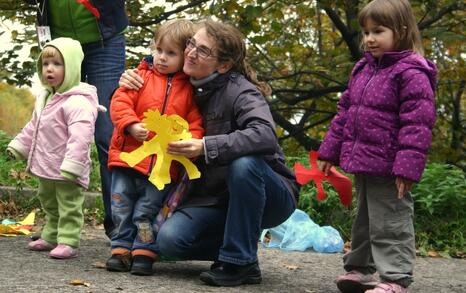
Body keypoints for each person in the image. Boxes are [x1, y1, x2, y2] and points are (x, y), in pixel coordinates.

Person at [119, 19, 300, 286]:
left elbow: (265, 135)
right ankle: (237, 245)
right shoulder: (181, 84)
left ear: (224, 65)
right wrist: (132, 78)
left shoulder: (241, 91)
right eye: (191, 44)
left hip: (270, 194)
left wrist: (205, 146)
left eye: (202, 50)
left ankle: (240, 261)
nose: (191, 52)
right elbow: (155, 71)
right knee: (169, 240)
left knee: (245, 163)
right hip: (216, 198)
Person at [317, 1, 437, 292]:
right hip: (365, 159)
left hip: (392, 164)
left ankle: (395, 278)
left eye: (378, 31)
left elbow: (417, 124)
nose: (369, 38)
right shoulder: (363, 69)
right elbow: (344, 112)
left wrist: (407, 168)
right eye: (366, 32)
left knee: (391, 221)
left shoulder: (411, 73)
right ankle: (361, 269)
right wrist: (330, 150)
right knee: (366, 219)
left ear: (402, 31)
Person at [105, 19, 204, 276]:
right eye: (158, 50)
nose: (161, 58)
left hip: (162, 166)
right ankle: (120, 247)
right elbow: (120, 102)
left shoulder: (190, 90)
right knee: (120, 204)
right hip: (128, 157)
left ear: (185, 55)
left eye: (171, 53)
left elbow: (195, 122)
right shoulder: (140, 77)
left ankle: (143, 250)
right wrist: (130, 124)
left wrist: (189, 140)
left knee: (147, 210)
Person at [24, 0, 128, 238]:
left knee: (108, 136)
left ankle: (120, 227)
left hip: (105, 41)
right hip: (61, 45)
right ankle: (57, 227)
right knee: (54, 132)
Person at [7, 37, 99, 259]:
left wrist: (74, 165)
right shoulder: (46, 97)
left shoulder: (78, 102)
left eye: (57, 64)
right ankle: (51, 234)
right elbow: (34, 126)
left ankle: (68, 239)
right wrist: (19, 145)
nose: (50, 69)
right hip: (46, 164)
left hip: (67, 167)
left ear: (72, 68)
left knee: (68, 204)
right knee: (48, 201)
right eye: (46, 64)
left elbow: (81, 137)